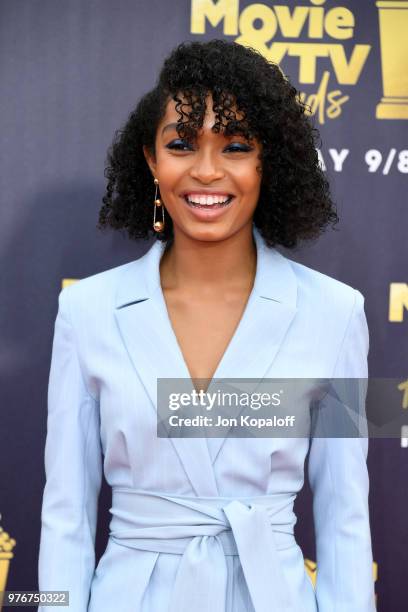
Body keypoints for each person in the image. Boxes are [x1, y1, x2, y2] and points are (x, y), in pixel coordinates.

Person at [38, 39, 376, 611]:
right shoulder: (87, 312)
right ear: (151, 159)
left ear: (269, 161)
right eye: (181, 145)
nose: (207, 170)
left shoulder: (334, 314)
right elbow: (66, 514)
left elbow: (345, 515)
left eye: (236, 145)